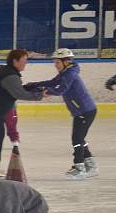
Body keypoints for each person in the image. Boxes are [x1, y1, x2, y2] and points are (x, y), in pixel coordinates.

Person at [25, 48, 98, 180]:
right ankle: (90, 165)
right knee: (79, 138)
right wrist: (35, 84)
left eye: (58, 62)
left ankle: (79, 167)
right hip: (82, 111)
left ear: (67, 61)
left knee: (77, 139)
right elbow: (53, 83)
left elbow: (61, 89)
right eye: (55, 62)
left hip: (84, 111)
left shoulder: (70, 74)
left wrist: (44, 90)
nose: (55, 65)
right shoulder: (66, 73)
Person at [0, 49, 45, 178]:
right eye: (23, 61)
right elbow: (19, 93)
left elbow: (16, 90)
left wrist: (32, 88)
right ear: (15, 61)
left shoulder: (9, 73)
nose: (25, 64)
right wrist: (40, 95)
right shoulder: (10, 75)